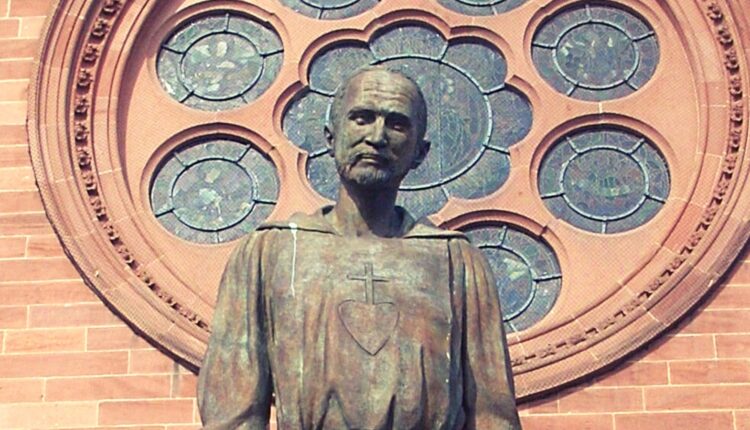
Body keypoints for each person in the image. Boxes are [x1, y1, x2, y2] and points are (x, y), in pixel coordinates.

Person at [197, 66, 522, 429]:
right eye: (362, 118)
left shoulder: (456, 261)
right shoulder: (267, 252)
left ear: (420, 152)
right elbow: (233, 411)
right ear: (329, 136)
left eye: (397, 124)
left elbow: (493, 415)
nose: (377, 136)